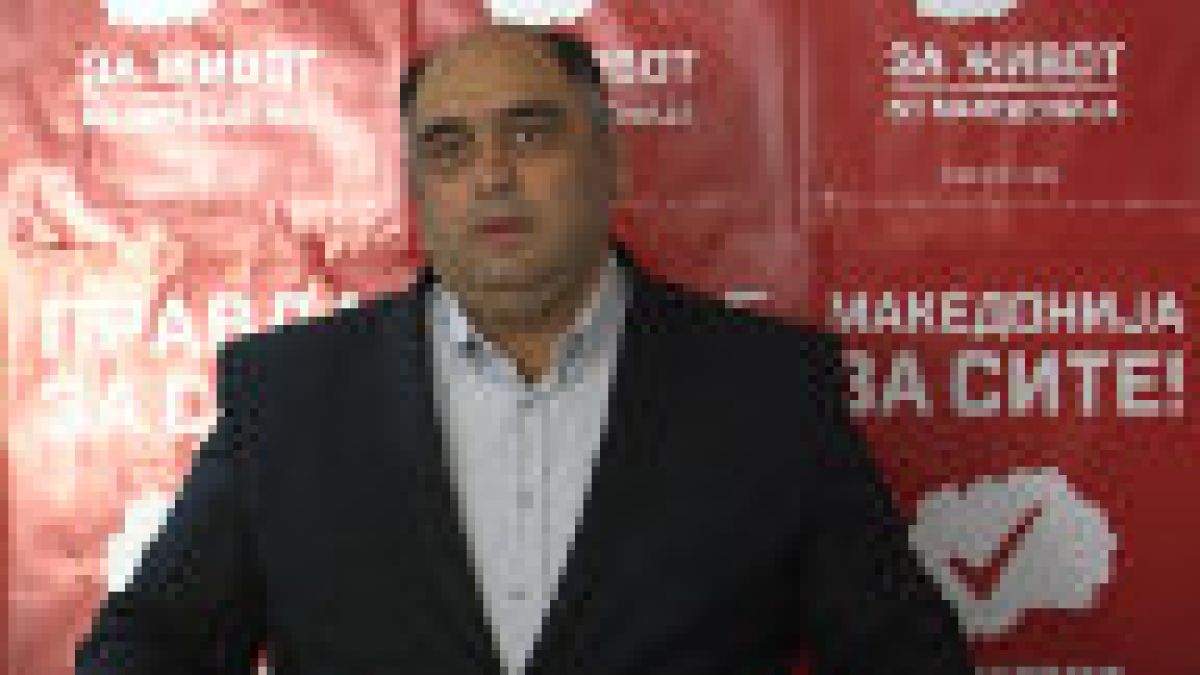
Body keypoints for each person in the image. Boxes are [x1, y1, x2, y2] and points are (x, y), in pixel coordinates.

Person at [77, 23, 972, 675]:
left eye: (531, 133)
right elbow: (151, 644)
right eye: (449, 148)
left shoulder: (771, 392)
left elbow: (904, 657)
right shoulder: (289, 398)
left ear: (611, 161)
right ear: (417, 191)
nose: (492, 175)